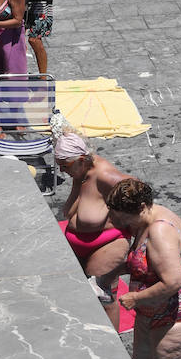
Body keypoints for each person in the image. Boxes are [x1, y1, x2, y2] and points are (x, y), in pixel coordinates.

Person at [105, 178, 181, 359]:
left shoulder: (160, 231)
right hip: (152, 310)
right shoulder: (149, 216)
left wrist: (136, 297)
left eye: (120, 217)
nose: (114, 221)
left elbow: (173, 281)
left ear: (140, 208)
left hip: (173, 316)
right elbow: (149, 263)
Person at [55, 131, 130, 330]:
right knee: (84, 297)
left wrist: (112, 223)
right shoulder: (81, 171)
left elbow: (141, 198)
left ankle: (114, 351)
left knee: (104, 300)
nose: (61, 171)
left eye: (64, 165)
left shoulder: (106, 176)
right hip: (83, 244)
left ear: (81, 159)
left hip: (107, 245)